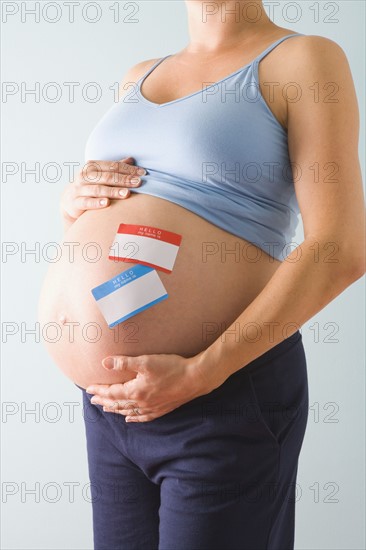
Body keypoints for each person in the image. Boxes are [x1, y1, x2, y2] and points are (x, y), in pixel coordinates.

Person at [59, 1, 365, 548]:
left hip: (221, 392)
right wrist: (76, 206)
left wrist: (201, 373)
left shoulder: (302, 59)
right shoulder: (138, 75)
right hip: (112, 407)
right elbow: (131, 209)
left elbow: (341, 247)